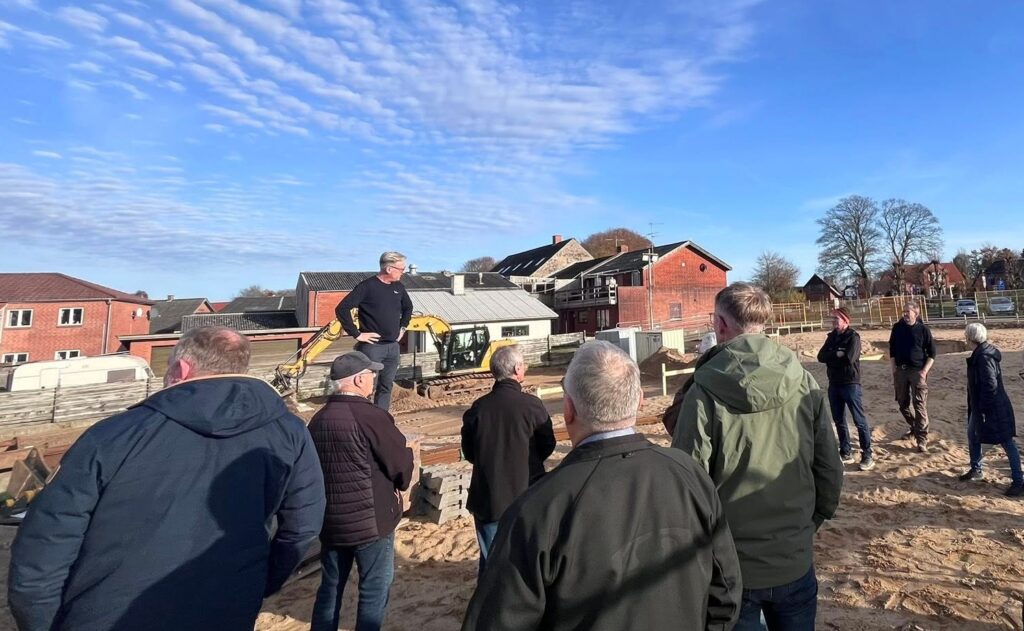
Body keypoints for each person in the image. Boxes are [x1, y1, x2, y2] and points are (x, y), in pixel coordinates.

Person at [8, 326, 326, 631]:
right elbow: (303, 524)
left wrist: (43, 622)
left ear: (181, 369)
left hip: (110, 614)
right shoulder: (290, 432)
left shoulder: (112, 436)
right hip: (227, 608)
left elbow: (45, 549)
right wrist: (258, 582)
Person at [462, 340, 742, 631]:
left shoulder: (537, 510)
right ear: (640, 400)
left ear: (568, 410)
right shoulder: (690, 475)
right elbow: (726, 590)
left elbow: (497, 620)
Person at [672, 282, 844, 631]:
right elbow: (829, 466)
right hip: (789, 555)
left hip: (732, 567)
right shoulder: (803, 380)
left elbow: (687, 484)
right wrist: (811, 522)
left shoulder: (702, 392)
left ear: (720, 324)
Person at [308, 351, 414, 631]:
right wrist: (403, 482)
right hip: (370, 522)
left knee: (330, 587)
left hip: (332, 523)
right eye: (370, 375)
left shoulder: (318, 420)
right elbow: (399, 463)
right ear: (357, 380)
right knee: (374, 587)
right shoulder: (371, 416)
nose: (374, 380)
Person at [460, 345, 556, 576]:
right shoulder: (532, 406)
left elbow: (470, 453)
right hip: (527, 494)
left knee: (491, 562)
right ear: (517, 368)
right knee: (526, 561)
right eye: (524, 364)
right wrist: (529, 463)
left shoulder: (478, 409)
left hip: (488, 498)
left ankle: (489, 597)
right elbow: (548, 444)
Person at [336, 251, 414, 411]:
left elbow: (408, 307)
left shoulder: (398, 287)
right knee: (364, 387)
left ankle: (381, 417)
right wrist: (357, 334)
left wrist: (402, 328)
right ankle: (361, 418)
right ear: (389, 269)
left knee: (386, 386)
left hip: (392, 347)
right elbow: (342, 308)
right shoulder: (367, 287)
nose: (403, 272)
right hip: (372, 348)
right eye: (401, 269)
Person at [958, 323, 1022, 496]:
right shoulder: (982, 353)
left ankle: (1018, 481)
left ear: (970, 338)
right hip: (982, 407)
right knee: (973, 435)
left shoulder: (984, 357)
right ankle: (976, 469)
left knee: (1007, 442)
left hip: (993, 408)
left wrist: (984, 409)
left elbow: (990, 385)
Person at [817, 307, 875, 471]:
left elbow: (849, 358)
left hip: (850, 384)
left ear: (845, 321)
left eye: (836, 319)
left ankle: (867, 455)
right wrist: (836, 354)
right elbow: (821, 357)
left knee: (859, 420)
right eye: (833, 319)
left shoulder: (853, 337)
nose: (833, 322)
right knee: (839, 420)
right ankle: (845, 452)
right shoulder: (831, 337)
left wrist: (833, 357)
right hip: (834, 383)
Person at [888, 301, 937, 452]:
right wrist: (894, 369)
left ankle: (921, 439)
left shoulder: (923, 330)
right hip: (901, 371)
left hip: (917, 371)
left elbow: (932, 353)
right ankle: (915, 426)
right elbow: (892, 349)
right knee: (902, 403)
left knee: (919, 404)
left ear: (916, 314)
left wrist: (924, 371)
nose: (904, 314)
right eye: (903, 311)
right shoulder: (897, 328)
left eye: (907, 312)